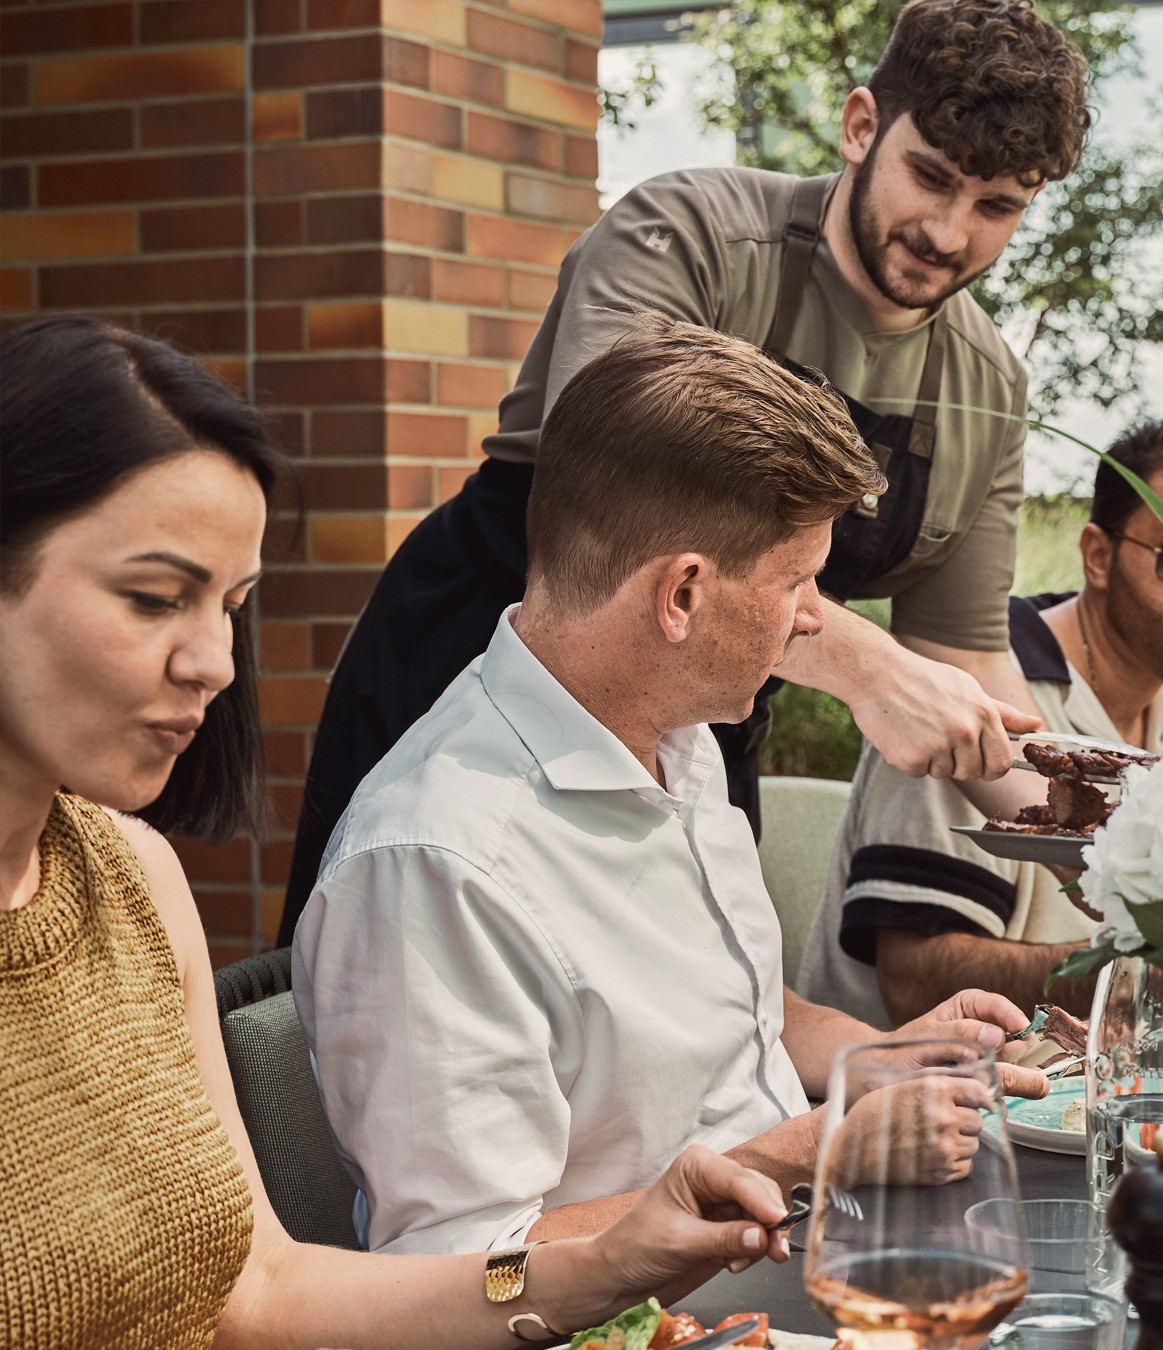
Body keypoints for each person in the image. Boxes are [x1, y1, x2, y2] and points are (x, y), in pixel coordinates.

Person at [0, 317, 795, 1350]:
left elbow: (264, 1295)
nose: (214, 664)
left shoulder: (134, 880)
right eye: (155, 599)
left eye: (231, 608)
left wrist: (604, 1263)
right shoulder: (439, 839)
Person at [277, 0, 1094, 945]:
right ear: (862, 125)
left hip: (699, 732)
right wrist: (866, 664)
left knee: (702, 1033)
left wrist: (1094, 838)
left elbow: (966, 660)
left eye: (997, 207)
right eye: (931, 178)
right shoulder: (688, 237)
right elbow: (626, 510)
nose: (950, 233)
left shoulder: (987, 385)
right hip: (479, 680)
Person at [293, 315, 1048, 1258]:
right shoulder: (437, 864)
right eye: (799, 583)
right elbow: (464, 1270)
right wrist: (821, 1150)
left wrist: (873, 1061)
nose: (816, 620)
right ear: (682, 595)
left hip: (795, 1267)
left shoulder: (678, 740)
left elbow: (734, 1018)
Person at [797, 418, 1163, 1028]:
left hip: (1081, 1095)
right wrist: (1150, 971)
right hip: (918, 1097)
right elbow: (913, 981)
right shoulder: (970, 697)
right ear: (1097, 556)